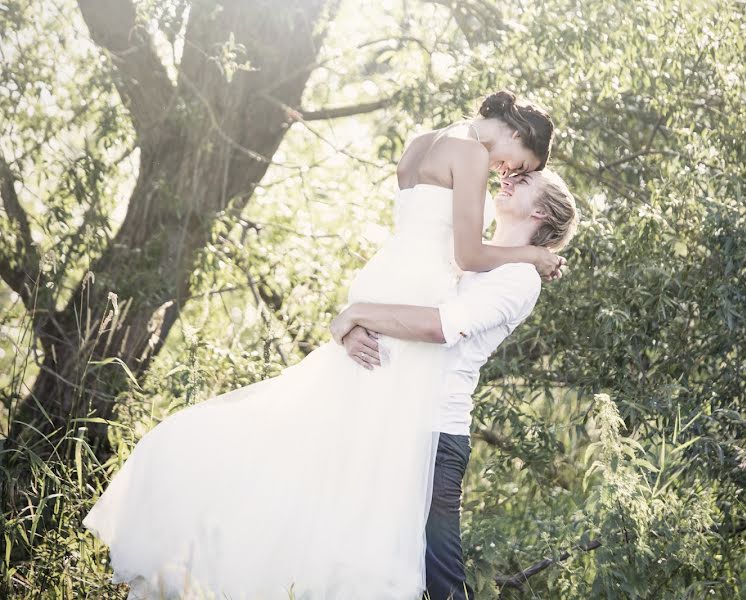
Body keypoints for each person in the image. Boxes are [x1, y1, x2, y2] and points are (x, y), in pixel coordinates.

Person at [81, 90, 562, 600]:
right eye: (520, 160)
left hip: (384, 282)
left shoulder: (423, 142)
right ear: (516, 132)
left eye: (518, 171)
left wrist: (358, 310)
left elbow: (425, 235)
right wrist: (534, 254)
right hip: (413, 296)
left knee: (340, 452)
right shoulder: (471, 153)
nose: (506, 170)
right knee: (376, 463)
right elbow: (465, 255)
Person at [329, 169, 580, 600]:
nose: (507, 179)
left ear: (540, 210)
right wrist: (352, 328)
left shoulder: (520, 279)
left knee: (439, 573)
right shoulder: (470, 253)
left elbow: (442, 327)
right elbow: (405, 300)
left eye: (522, 180)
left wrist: (358, 312)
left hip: (436, 430)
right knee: (373, 556)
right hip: (392, 414)